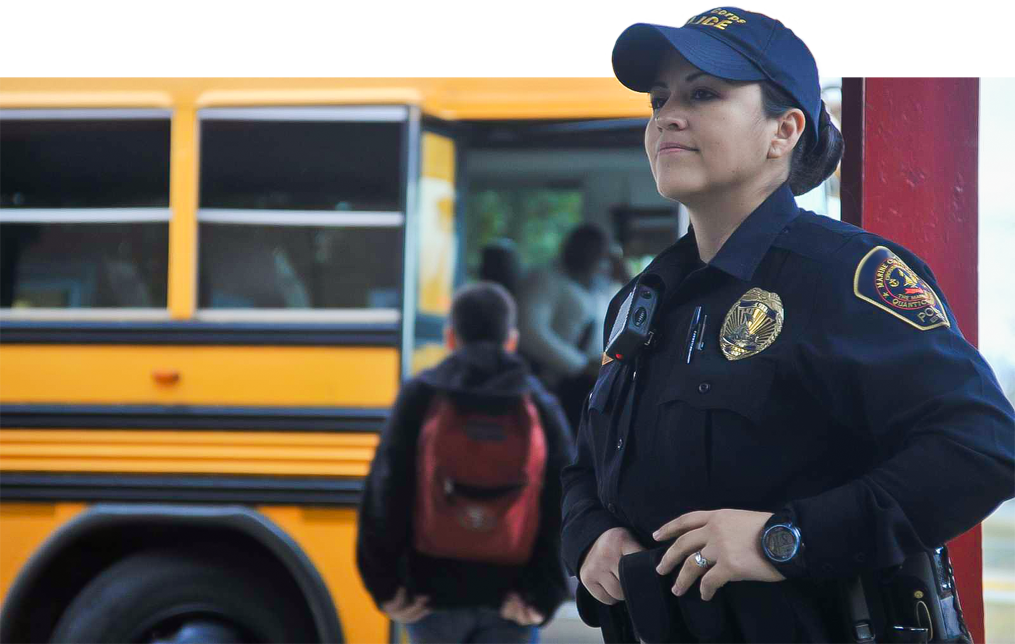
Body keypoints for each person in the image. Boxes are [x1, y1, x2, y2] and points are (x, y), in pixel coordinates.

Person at [560, 7, 1015, 644]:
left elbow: (982, 449)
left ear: (784, 130)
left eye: (703, 93)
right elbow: (584, 468)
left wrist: (785, 538)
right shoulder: (642, 302)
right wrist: (591, 536)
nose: (667, 114)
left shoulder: (844, 277)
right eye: (659, 98)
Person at [357, 281, 572, 644]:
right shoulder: (537, 403)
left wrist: (385, 588)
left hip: (430, 597)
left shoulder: (420, 396)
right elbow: (563, 498)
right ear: (512, 340)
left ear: (450, 338)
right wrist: (544, 595)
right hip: (513, 599)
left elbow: (385, 489)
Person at [517, 223, 613, 431]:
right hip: (555, 383)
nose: (594, 256)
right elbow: (530, 332)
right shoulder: (544, 278)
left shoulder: (598, 288)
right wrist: (579, 365)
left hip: (591, 383)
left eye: (600, 251)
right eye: (589, 248)